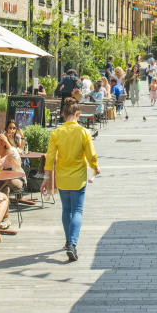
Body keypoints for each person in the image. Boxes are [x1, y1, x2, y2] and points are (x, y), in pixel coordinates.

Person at [42, 99, 99, 262]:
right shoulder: (84, 132)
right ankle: (73, 243)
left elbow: (50, 158)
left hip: (62, 177)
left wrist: (46, 178)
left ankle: (68, 240)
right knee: (77, 210)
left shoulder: (56, 133)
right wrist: (95, 167)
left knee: (66, 210)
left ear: (62, 114)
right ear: (78, 114)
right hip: (78, 177)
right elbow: (91, 155)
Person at [0, 132, 26, 197]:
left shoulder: (11, 152)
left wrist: (6, 142)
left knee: (6, 180)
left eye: (2, 139)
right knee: (4, 189)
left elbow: (16, 158)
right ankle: (0, 203)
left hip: (16, 180)